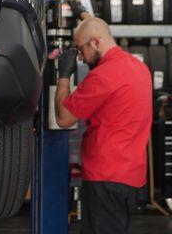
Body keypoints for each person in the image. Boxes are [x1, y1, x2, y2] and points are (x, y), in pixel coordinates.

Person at [54, 13, 152, 234]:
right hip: (131, 177)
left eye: (81, 49)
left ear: (96, 42)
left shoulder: (103, 76)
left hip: (105, 178)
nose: (81, 57)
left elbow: (63, 118)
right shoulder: (139, 68)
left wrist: (63, 77)